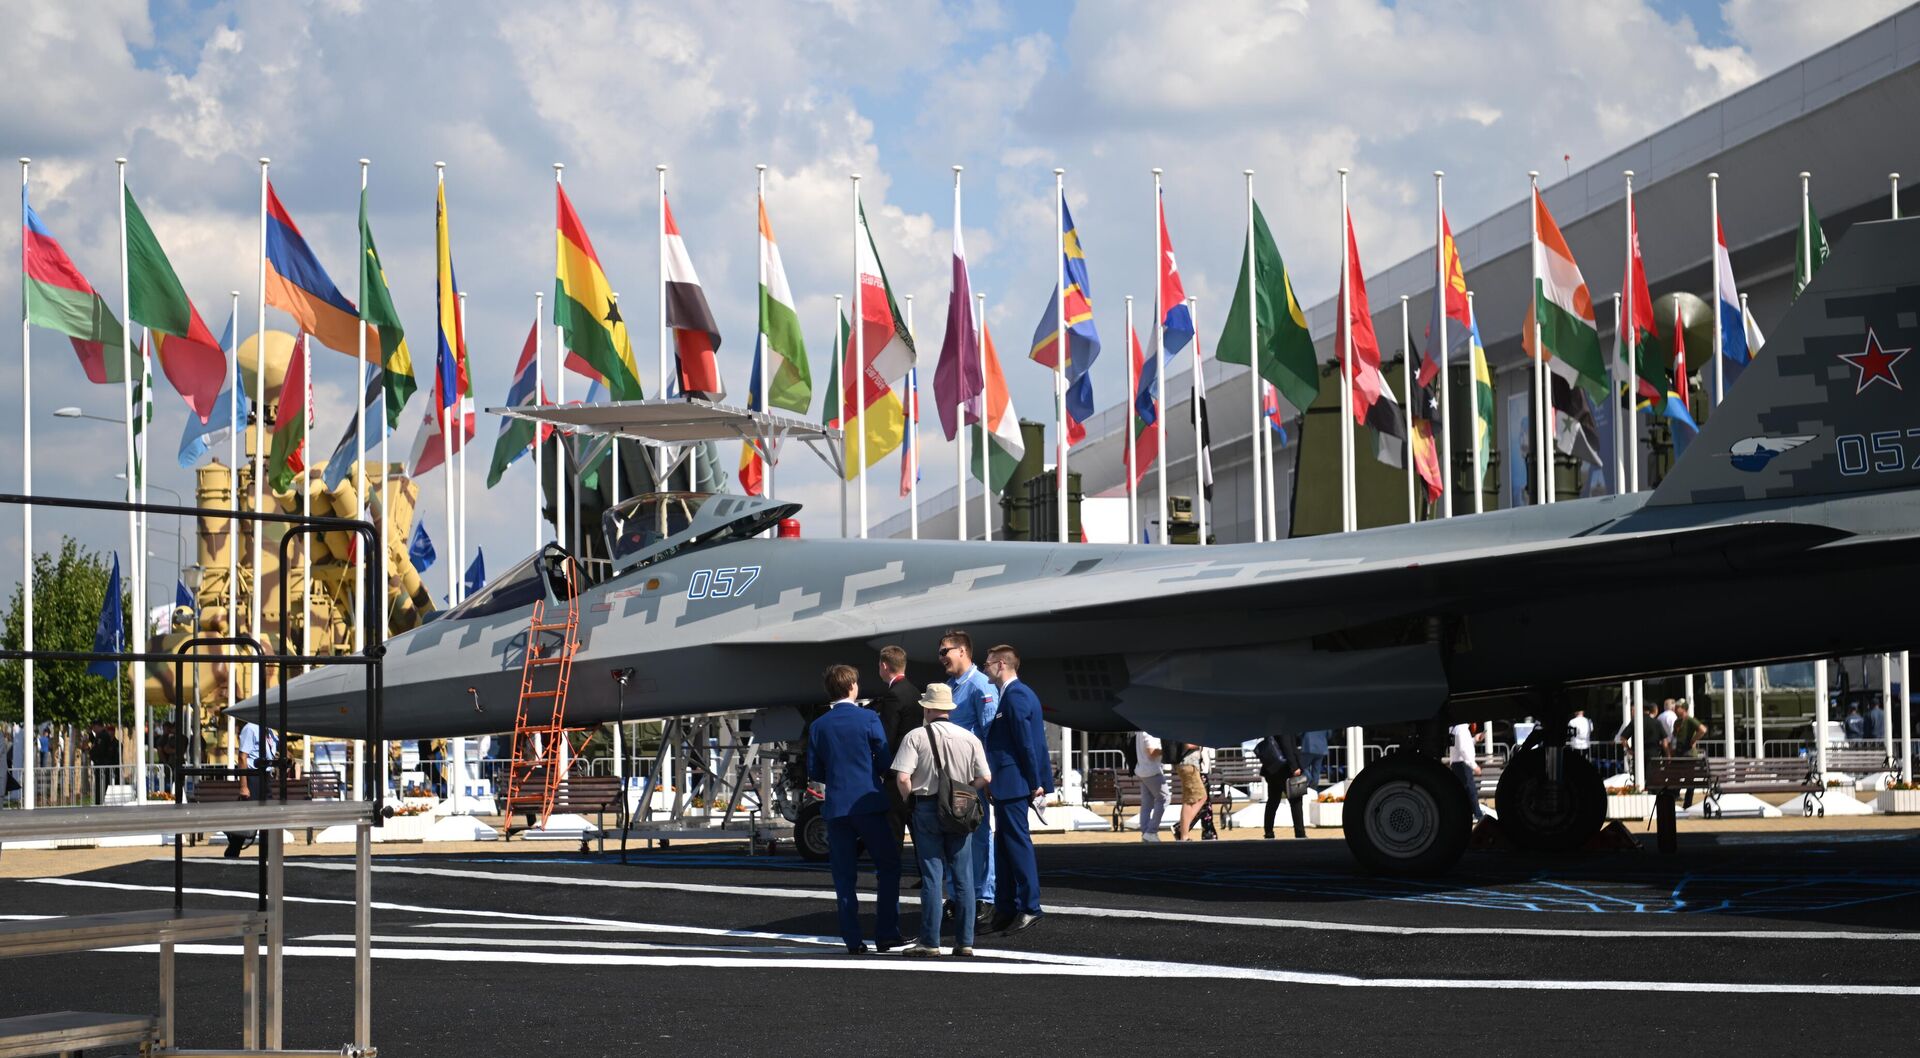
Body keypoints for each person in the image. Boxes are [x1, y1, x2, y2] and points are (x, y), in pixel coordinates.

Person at [804, 664, 902, 955]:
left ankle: (852, 939)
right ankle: (886, 933)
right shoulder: (868, 718)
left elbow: (814, 769)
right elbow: (885, 759)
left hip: (837, 806)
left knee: (844, 875)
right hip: (868, 801)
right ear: (852, 687)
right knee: (888, 867)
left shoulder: (819, 725)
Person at [891, 683, 992, 958]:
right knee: (963, 876)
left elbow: (902, 777)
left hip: (925, 807)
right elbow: (986, 777)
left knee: (933, 876)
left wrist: (908, 800)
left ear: (928, 708)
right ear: (948, 709)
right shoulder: (969, 738)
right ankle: (965, 941)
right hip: (960, 808)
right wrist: (966, 790)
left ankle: (930, 941)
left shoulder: (916, 737)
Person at [982, 645, 1051, 936]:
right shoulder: (1011, 695)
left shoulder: (1017, 695)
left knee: (1017, 846)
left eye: (987, 663)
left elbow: (1026, 743)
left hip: (1014, 783)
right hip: (1006, 783)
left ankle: (1030, 907)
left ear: (1000, 664)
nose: (984, 668)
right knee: (1005, 846)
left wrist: (1035, 782)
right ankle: (1006, 906)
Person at [938, 630, 999, 927]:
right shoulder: (951, 687)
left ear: (962, 651)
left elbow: (989, 733)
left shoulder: (980, 685)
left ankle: (985, 897)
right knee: (956, 838)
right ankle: (962, 894)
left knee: (979, 836)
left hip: (973, 779)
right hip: (952, 779)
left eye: (944, 651)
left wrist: (987, 779)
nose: (941, 658)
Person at [874, 645, 921, 857]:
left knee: (894, 827)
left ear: (884, 665)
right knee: (917, 827)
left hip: (896, 769)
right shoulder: (913, 691)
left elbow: (887, 735)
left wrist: (880, 769)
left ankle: (892, 874)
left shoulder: (893, 695)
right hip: (916, 767)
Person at [225, 721, 278, 858]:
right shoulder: (251, 728)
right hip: (253, 775)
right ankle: (233, 851)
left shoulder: (269, 730)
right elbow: (242, 757)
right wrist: (243, 786)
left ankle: (268, 854)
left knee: (269, 815)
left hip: (265, 775)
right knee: (247, 817)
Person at [1255, 733, 1309, 839]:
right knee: (1296, 801)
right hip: (1285, 770)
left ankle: (1269, 831)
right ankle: (1300, 833)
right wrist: (1294, 766)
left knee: (1273, 801)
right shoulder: (1284, 727)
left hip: (1272, 770)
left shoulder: (1272, 726)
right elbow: (1287, 747)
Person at [1671, 701, 1709, 809]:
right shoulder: (1677, 722)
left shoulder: (1690, 720)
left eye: (1678, 707)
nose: (1675, 709)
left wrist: (1693, 739)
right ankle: (1674, 800)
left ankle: (1687, 804)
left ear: (1684, 709)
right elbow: (1674, 736)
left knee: (1689, 779)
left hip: (1689, 754)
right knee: (1676, 777)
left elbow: (1703, 729)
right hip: (1679, 753)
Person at [1171, 741, 1212, 840]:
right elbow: (1188, 744)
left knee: (1190, 799)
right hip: (1189, 764)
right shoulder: (1189, 727)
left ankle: (1183, 832)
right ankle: (1183, 831)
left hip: (1186, 764)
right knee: (1199, 798)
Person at [1133, 730, 1168, 842]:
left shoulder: (1140, 730)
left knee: (1147, 803)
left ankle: (1145, 832)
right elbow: (1151, 751)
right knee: (1164, 798)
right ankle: (1151, 831)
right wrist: (1167, 751)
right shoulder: (1150, 731)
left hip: (1142, 769)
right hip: (1152, 770)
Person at [1448, 722, 1483, 822]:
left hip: (1457, 762)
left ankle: (1468, 814)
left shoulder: (1454, 727)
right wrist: (1474, 766)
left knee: (1463, 791)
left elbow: (1462, 745)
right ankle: (1478, 815)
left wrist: (1475, 739)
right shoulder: (1462, 729)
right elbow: (1463, 749)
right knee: (1470, 790)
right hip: (1462, 763)